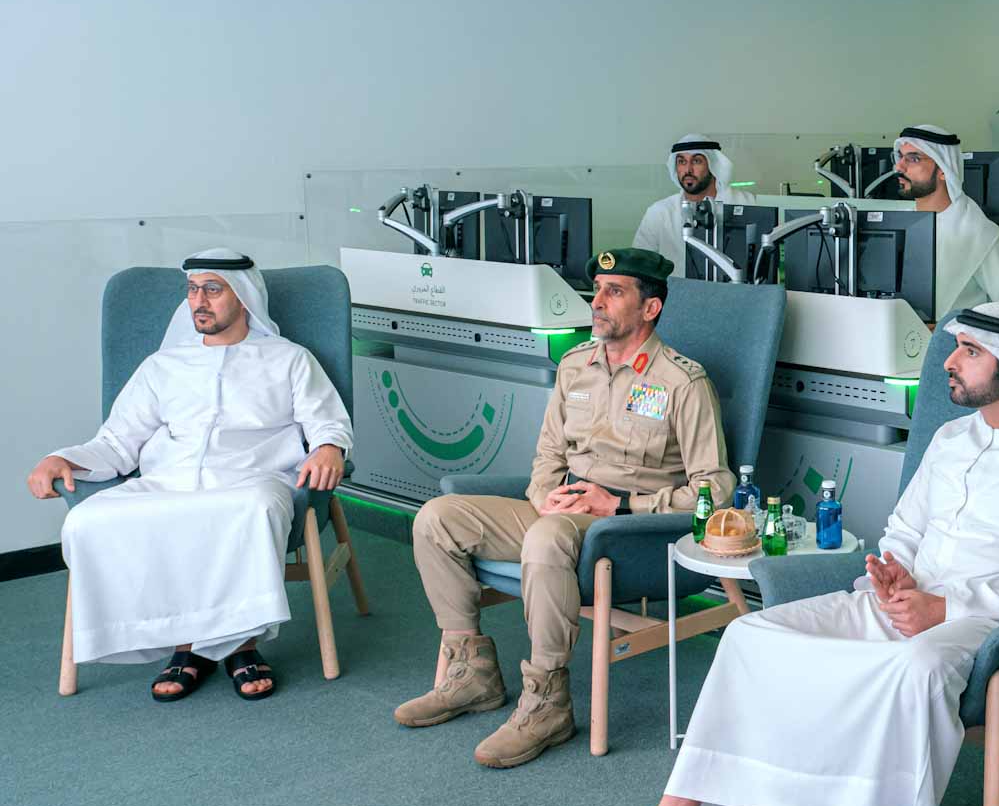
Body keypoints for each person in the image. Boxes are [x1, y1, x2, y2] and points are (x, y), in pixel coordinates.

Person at [553, 302, 999, 806]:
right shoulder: (953, 439)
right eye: (954, 348)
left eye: (968, 352)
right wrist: (894, 569)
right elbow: (905, 528)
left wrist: (945, 606)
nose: (949, 364)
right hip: (902, 600)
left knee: (917, 669)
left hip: (991, 625)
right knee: (749, 634)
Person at [396, 248, 733, 768]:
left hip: (626, 533)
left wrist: (620, 504)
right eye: (596, 290)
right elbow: (548, 455)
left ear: (651, 308)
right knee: (438, 517)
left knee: (547, 537)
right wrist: (543, 496)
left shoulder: (682, 382)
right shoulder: (575, 365)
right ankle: (472, 672)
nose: (597, 302)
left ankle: (548, 699)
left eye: (614, 291)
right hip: (558, 512)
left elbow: (715, 490)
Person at [29, 249, 353, 703]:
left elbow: (327, 422)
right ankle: (185, 644)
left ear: (242, 297)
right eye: (193, 290)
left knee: (252, 509)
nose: (199, 300)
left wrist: (328, 448)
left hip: (253, 478)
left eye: (213, 289)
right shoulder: (162, 366)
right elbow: (118, 442)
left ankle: (240, 644)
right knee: (89, 519)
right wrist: (63, 459)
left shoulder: (289, 359)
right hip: (168, 481)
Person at [891, 125, 999, 319]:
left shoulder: (978, 231)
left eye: (913, 159)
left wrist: (958, 327)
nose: (899, 167)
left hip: (953, 342)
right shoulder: (896, 225)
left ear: (942, 169)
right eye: (900, 157)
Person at [632, 134, 758, 277]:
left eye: (696, 161)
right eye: (682, 162)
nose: (688, 170)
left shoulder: (747, 203)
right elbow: (639, 266)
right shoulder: (659, 212)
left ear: (713, 165)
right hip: (675, 296)